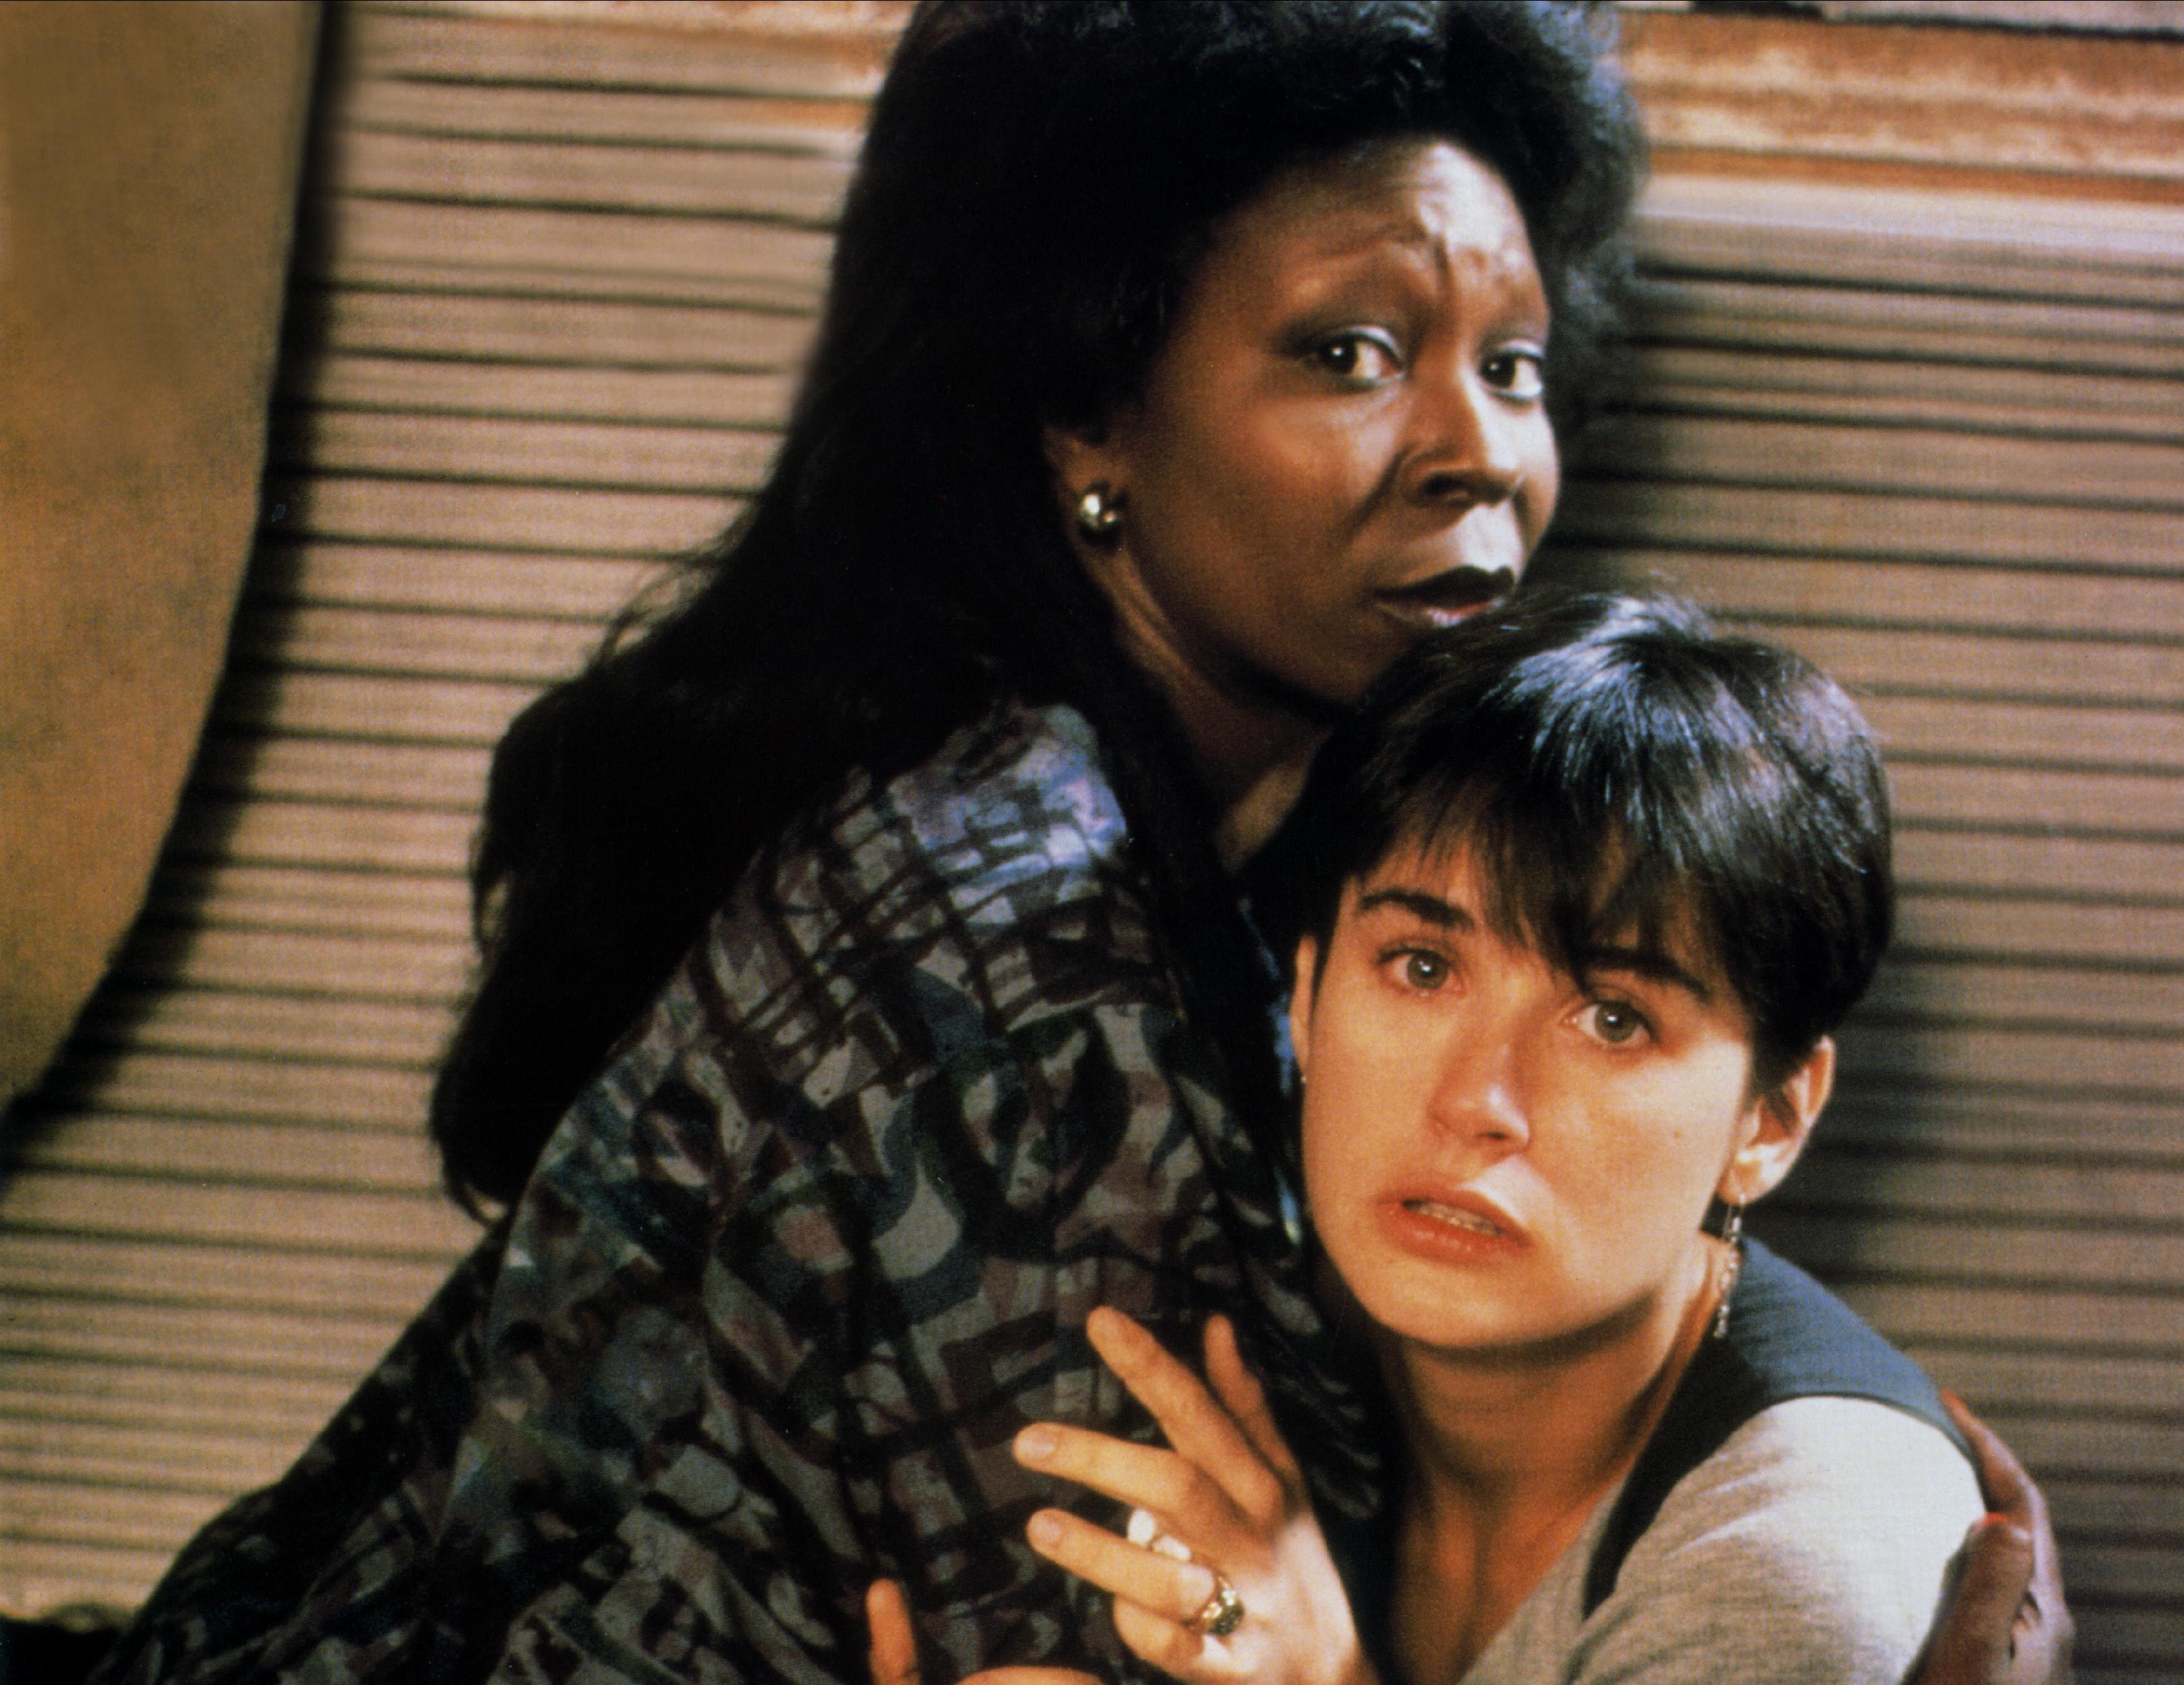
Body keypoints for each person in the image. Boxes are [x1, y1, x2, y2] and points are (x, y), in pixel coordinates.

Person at [90, 6, 2066, 1684]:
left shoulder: (1191, 828)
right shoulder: (1027, 965)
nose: (1481, 450)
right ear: (1088, 424)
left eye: (1515, 362)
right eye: (1351, 354)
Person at [867, 593, 2011, 1685]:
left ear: (1769, 1121)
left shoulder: (1790, 1560)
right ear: (1306, 995)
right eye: (1422, 967)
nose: (1479, 1100)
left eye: (1613, 1019)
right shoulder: (1226, 1322)